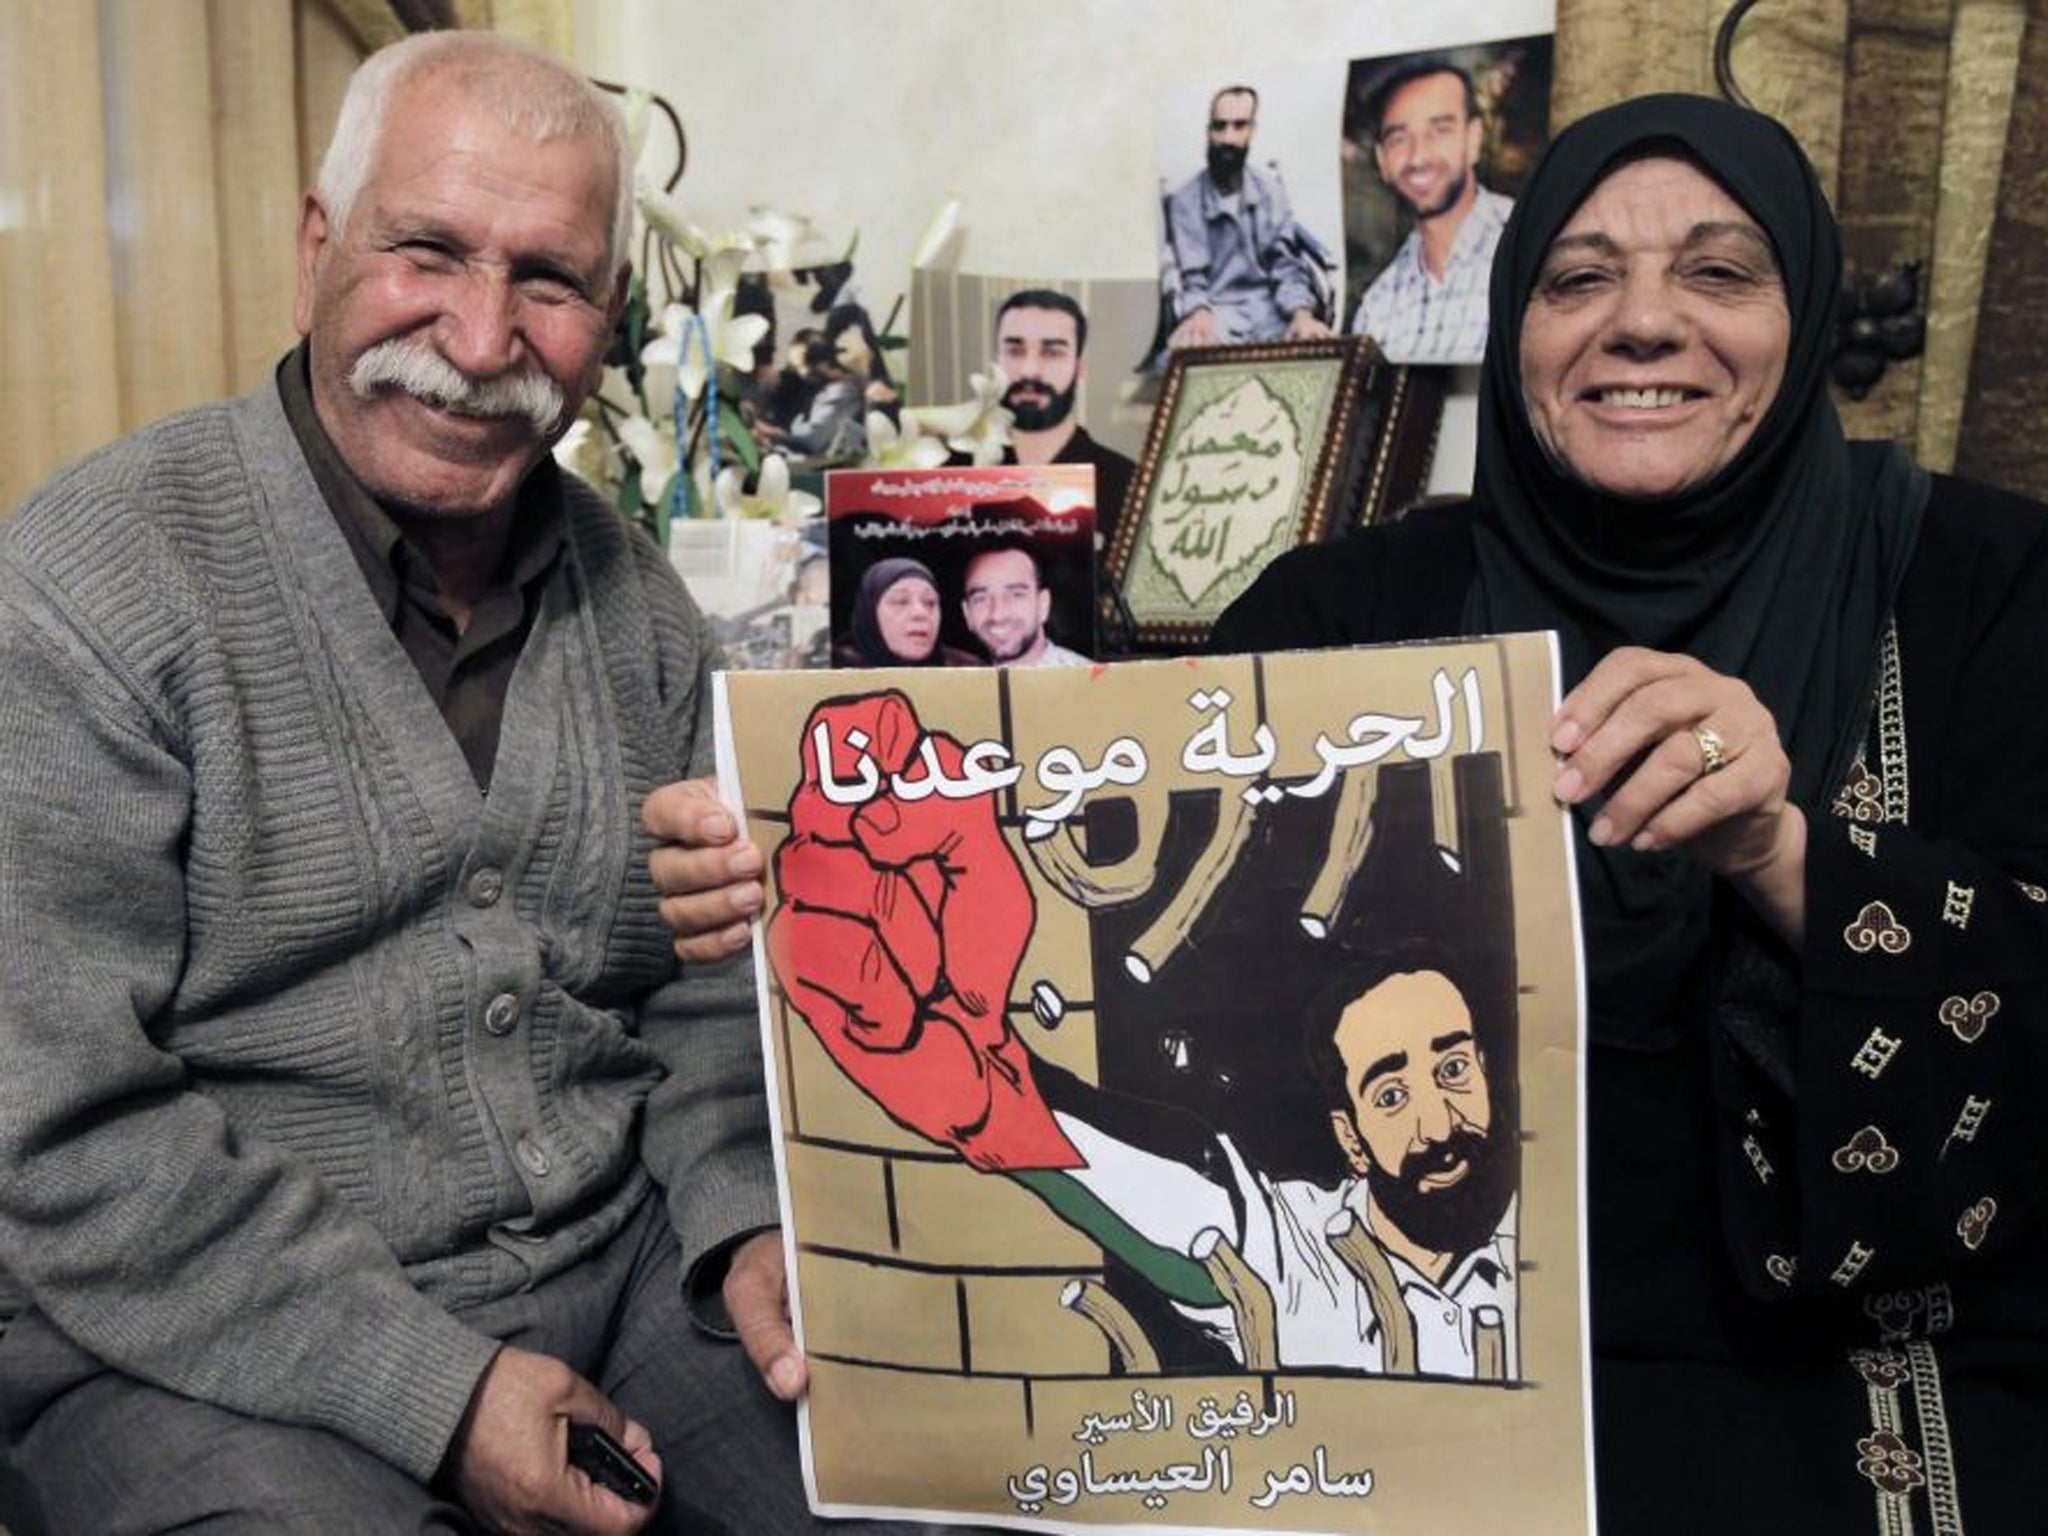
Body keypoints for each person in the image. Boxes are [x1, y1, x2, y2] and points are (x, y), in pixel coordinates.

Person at [647, 93, 2048, 1530]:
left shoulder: (1982, 590)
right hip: (1413, 1378)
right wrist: (779, 849)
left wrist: (1784, 852)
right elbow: (1064, 851)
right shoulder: (1349, 617)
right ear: (1517, 328)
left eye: (1718, 271)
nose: (1641, 322)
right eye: (1576, 278)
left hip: (1845, 1371)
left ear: (1802, 312)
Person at [0, 32, 900, 1536]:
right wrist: (441, 1391)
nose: (482, 339)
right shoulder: (89, 586)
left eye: (549, 281)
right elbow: (59, 1132)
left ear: (609, 319)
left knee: (905, 1483)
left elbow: (697, 995)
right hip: (192, 1343)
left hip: (619, 1274)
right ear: (314, 248)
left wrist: (747, 1223)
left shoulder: (643, 608)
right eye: (427, 249)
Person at [1349, 57, 1514, 364]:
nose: (1418, 156)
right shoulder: (1377, 307)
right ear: (1383, 160)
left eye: (1440, 130)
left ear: (1474, 138)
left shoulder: (1532, 250)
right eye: (1399, 138)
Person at [962, 291, 1136, 552]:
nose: (1029, 369)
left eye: (1052, 352)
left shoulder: (1128, 486)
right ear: (997, 361)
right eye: (1015, 350)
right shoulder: (955, 476)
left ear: (1079, 368)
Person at [1163, 86, 1334, 349]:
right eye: (1219, 127)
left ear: (1252, 131)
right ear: (1208, 132)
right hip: (1217, 311)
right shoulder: (1186, 200)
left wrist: (1301, 314)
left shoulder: (1271, 191)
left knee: (1315, 347)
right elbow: (1192, 278)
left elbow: (1285, 265)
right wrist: (1199, 313)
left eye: (1239, 126)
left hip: (1269, 309)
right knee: (1182, 355)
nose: (1227, 138)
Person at [960, 543, 1089, 667]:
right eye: (981, 599)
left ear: (1043, 605)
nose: (998, 615)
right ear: (967, 614)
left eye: (1016, 594)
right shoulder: (958, 686)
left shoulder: (1092, 683)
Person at [832, 557, 974, 668]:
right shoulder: (833, 672)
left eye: (930, 603)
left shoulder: (969, 670)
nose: (920, 613)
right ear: (869, 614)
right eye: (900, 601)